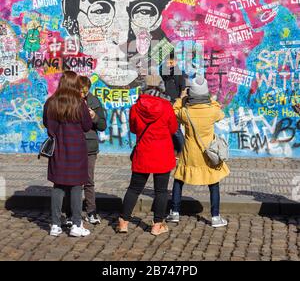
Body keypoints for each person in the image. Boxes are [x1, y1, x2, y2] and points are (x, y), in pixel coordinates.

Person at [117, 75, 178, 236]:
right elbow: (173, 129)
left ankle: (123, 222)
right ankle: (157, 225)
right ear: (161, 87)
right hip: (162, 153)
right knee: (161, 191)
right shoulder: (166, 106)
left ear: (143, 87)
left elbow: (133, 129)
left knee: (134, 188)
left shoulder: (136, 107)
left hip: (143, 152)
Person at [166, 77, 230, 228]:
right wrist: (210, 99)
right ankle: (215, 217)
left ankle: (174, 212)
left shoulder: (185, 112)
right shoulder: (212, 111)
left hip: (190, 153)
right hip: (209, 153)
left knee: (179, 180)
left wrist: (181, 98)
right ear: (206, 94)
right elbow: (221, 113)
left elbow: (173, 111)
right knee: (214, 184)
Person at [43, 71, 93, 237]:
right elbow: (86, 126)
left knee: (58, 186)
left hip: (58, 149)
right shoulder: (79, 103)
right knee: (77, 186)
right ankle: (76, 224)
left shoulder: (51, 102)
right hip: (77, 149)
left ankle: (55, 225)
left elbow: (47, 125)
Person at [79, 75, 106, 224]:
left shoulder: (94, 101)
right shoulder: (70, 100)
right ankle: (71, 213)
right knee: (73, 182)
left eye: (85, 91)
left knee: (89, 180)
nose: (82, 94)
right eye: (80, 91)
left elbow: (102, 125)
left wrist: (94, 116)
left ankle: (91, 211)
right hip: (73, 144)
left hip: (89, 146)